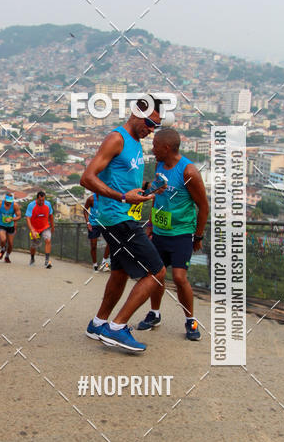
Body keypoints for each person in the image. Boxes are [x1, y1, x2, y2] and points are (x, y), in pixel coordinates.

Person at [80, 96, 166, 353]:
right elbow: (87, 178)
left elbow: (123, 182)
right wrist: (121, 197)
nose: (151, 130)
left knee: (120, 272)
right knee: (157, 272)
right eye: (150, 123)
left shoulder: (136, 143)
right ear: (137, 113)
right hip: (117, 218)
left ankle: (98, 323)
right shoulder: (116, 138)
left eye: (156, 126)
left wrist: (145, 191)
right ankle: (117, 328)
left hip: (123, 215)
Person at [136, 128, 209, 341]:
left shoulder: (188, 172)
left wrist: (198, 236)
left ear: (166, 148)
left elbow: (203, 206)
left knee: (179, 277)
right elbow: (158, 196)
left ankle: (190, 320)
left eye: (155, 145)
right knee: (156, 275)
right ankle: (155, 313)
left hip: (181, 233)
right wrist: (150, 223)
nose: (152, 149)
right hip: (159, 231)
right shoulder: (160, 165)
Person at [26, 191, 54, 268]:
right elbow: (28, 218)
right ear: (37, 199)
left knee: (48, 240)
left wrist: (52, 226)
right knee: (34, 246)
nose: (42, 202)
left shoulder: (48, 204)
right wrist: (32, 230)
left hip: (45, 226)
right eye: (40, 200)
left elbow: (51, 216)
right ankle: (32, 258)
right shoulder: (31, 205)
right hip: (35, 228)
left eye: (43, 200)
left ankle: (47, 260)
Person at [0, 192, 21, 262]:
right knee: (3, 239)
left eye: (10, 202)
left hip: (10, 225)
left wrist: (12, 219)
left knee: (10, 244)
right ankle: (3, 249)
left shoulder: (15, 205)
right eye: (7, 202)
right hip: (1, 225)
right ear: (5, 200)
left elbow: (19, 216)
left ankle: (7, 256)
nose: (9, 203)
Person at [83, 193, 110, 271]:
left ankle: (105, 264)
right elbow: (85, 210)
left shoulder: (107, 198)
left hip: (105, 223)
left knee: (110, 242)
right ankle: (95, 265)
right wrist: (88, 223)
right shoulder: (91, 199)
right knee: (93, 246)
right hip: (93, 224)